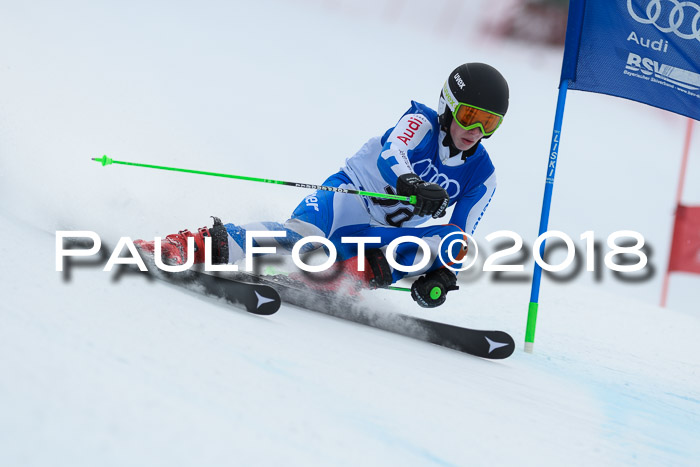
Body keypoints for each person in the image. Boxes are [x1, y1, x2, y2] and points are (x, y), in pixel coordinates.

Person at [136, 63, 509, 308]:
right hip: (349, 199)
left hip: (383, 236)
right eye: (469, 117)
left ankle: (339, 279)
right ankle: (191, 245)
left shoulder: (483, 176)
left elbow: (460, 234)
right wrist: (410, 182)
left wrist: (444, 274)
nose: (475, 132)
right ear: (448, 105)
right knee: (300, 238)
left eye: (488, 124)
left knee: (445, 242)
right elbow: (391, 154)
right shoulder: (420, 121)